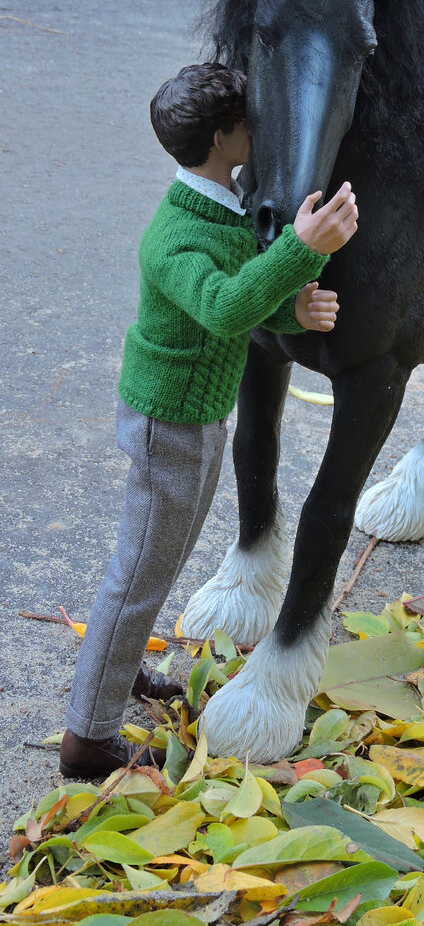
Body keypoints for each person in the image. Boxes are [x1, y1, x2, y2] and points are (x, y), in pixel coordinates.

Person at [60, 63, 357, 778]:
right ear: (224, 137)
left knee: (156, 564)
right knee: (138, 573)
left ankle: (117, 667)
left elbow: (237, 298)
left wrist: (293, 305)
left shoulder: (220, 200)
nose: (261, 129)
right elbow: (223, 306)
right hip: (170, 423)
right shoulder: (176, 236)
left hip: (193, 415)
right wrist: (302, 249)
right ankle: (89, 737)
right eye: (250, 121)